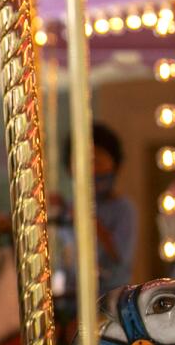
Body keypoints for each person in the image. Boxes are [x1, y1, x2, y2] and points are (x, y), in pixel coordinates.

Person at [53, 122, 137, 322]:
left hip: (109, 300)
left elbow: (120, 256)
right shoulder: (70, 208)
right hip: (70, 299)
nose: (91, 169)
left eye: (98, 161)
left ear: (114, 165)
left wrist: (89, 221)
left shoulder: (123, 209)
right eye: (82, 162)